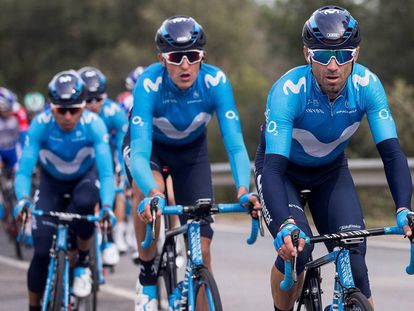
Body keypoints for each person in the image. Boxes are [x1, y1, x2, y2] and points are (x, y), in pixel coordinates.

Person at [254, 5, 413, 311]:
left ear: (355, 55)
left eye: (342, 55)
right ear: (306, 54)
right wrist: (285, 225)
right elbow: (273, 169)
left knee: (355, 260)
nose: (332, 66)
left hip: (330, 173)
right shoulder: (288, 91)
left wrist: (404, 208)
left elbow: (392, 154)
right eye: (321, 54)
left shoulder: (368, 86)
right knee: (297, 251)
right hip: (283, 173)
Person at [123, 15, 261, 310]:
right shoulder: (148, 84)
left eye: (192, 56)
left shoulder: (215, 82)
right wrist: (153, 193)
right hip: (151, 150)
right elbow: (139, 150)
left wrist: (241, 190)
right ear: (163, 59)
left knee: (203, 253)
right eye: (176, 57)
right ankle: (148, 275)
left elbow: (235, 142)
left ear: (202, 57)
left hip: (191, 154)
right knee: (149, 194)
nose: (185, 65)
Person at [14, 70, 115, 311]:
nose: (68, 116)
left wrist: (108, 207)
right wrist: (22, 200)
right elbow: (24, 171)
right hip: (51, 186)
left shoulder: (94, 125)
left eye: (75, 110)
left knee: (86, 201)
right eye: (61, 110)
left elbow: (106, 173)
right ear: (51, 107)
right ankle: (33, 307)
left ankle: (81, 262)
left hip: (84, 180)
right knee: (39, 253)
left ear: (82, 108)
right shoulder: (40, 125)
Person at [78, 66, 129, 263]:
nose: (92, 104)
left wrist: (121, 170)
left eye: (97, 99)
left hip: (107, 158)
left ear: (105, 96)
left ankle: (109, 238)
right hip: (84, 162)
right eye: (87, 100)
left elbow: (123, 143)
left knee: (116, 192)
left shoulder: (114, 111)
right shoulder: (73, 114)